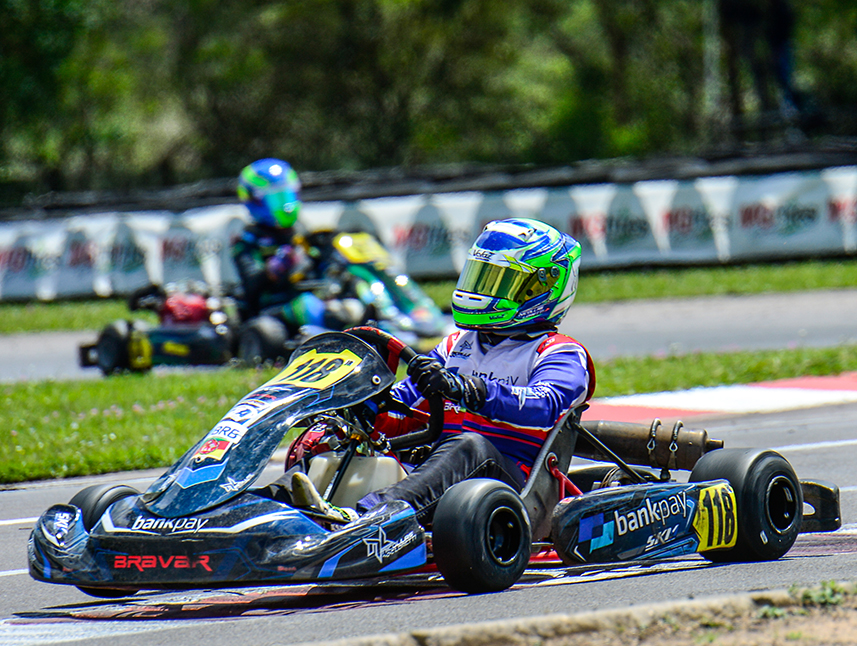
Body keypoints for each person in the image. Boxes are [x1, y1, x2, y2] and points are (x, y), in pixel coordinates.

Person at [277, 217, 596, 526]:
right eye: (481, 278)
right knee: (334, 436)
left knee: (469, 445)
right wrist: (362, 407)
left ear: (542, 288)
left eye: (499, 282)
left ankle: (370, 519)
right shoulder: (458, 344)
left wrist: (471, 389)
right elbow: (405, 400)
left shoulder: (560, 352)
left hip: (513, 490)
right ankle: (274, 506)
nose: (484, 291)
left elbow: (544, 404)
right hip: (443, 473)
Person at [232, 158, 358, 332]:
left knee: (355, 293)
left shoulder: (302, 236)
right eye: (275, 197)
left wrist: (332, 263)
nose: (284, 203)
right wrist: (274, 268)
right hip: (274, 309)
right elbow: (252, 285)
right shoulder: (247, 243)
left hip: (316, 298)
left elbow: (322, 268)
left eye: (286, 195)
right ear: (256, 201)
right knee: (306, 305)